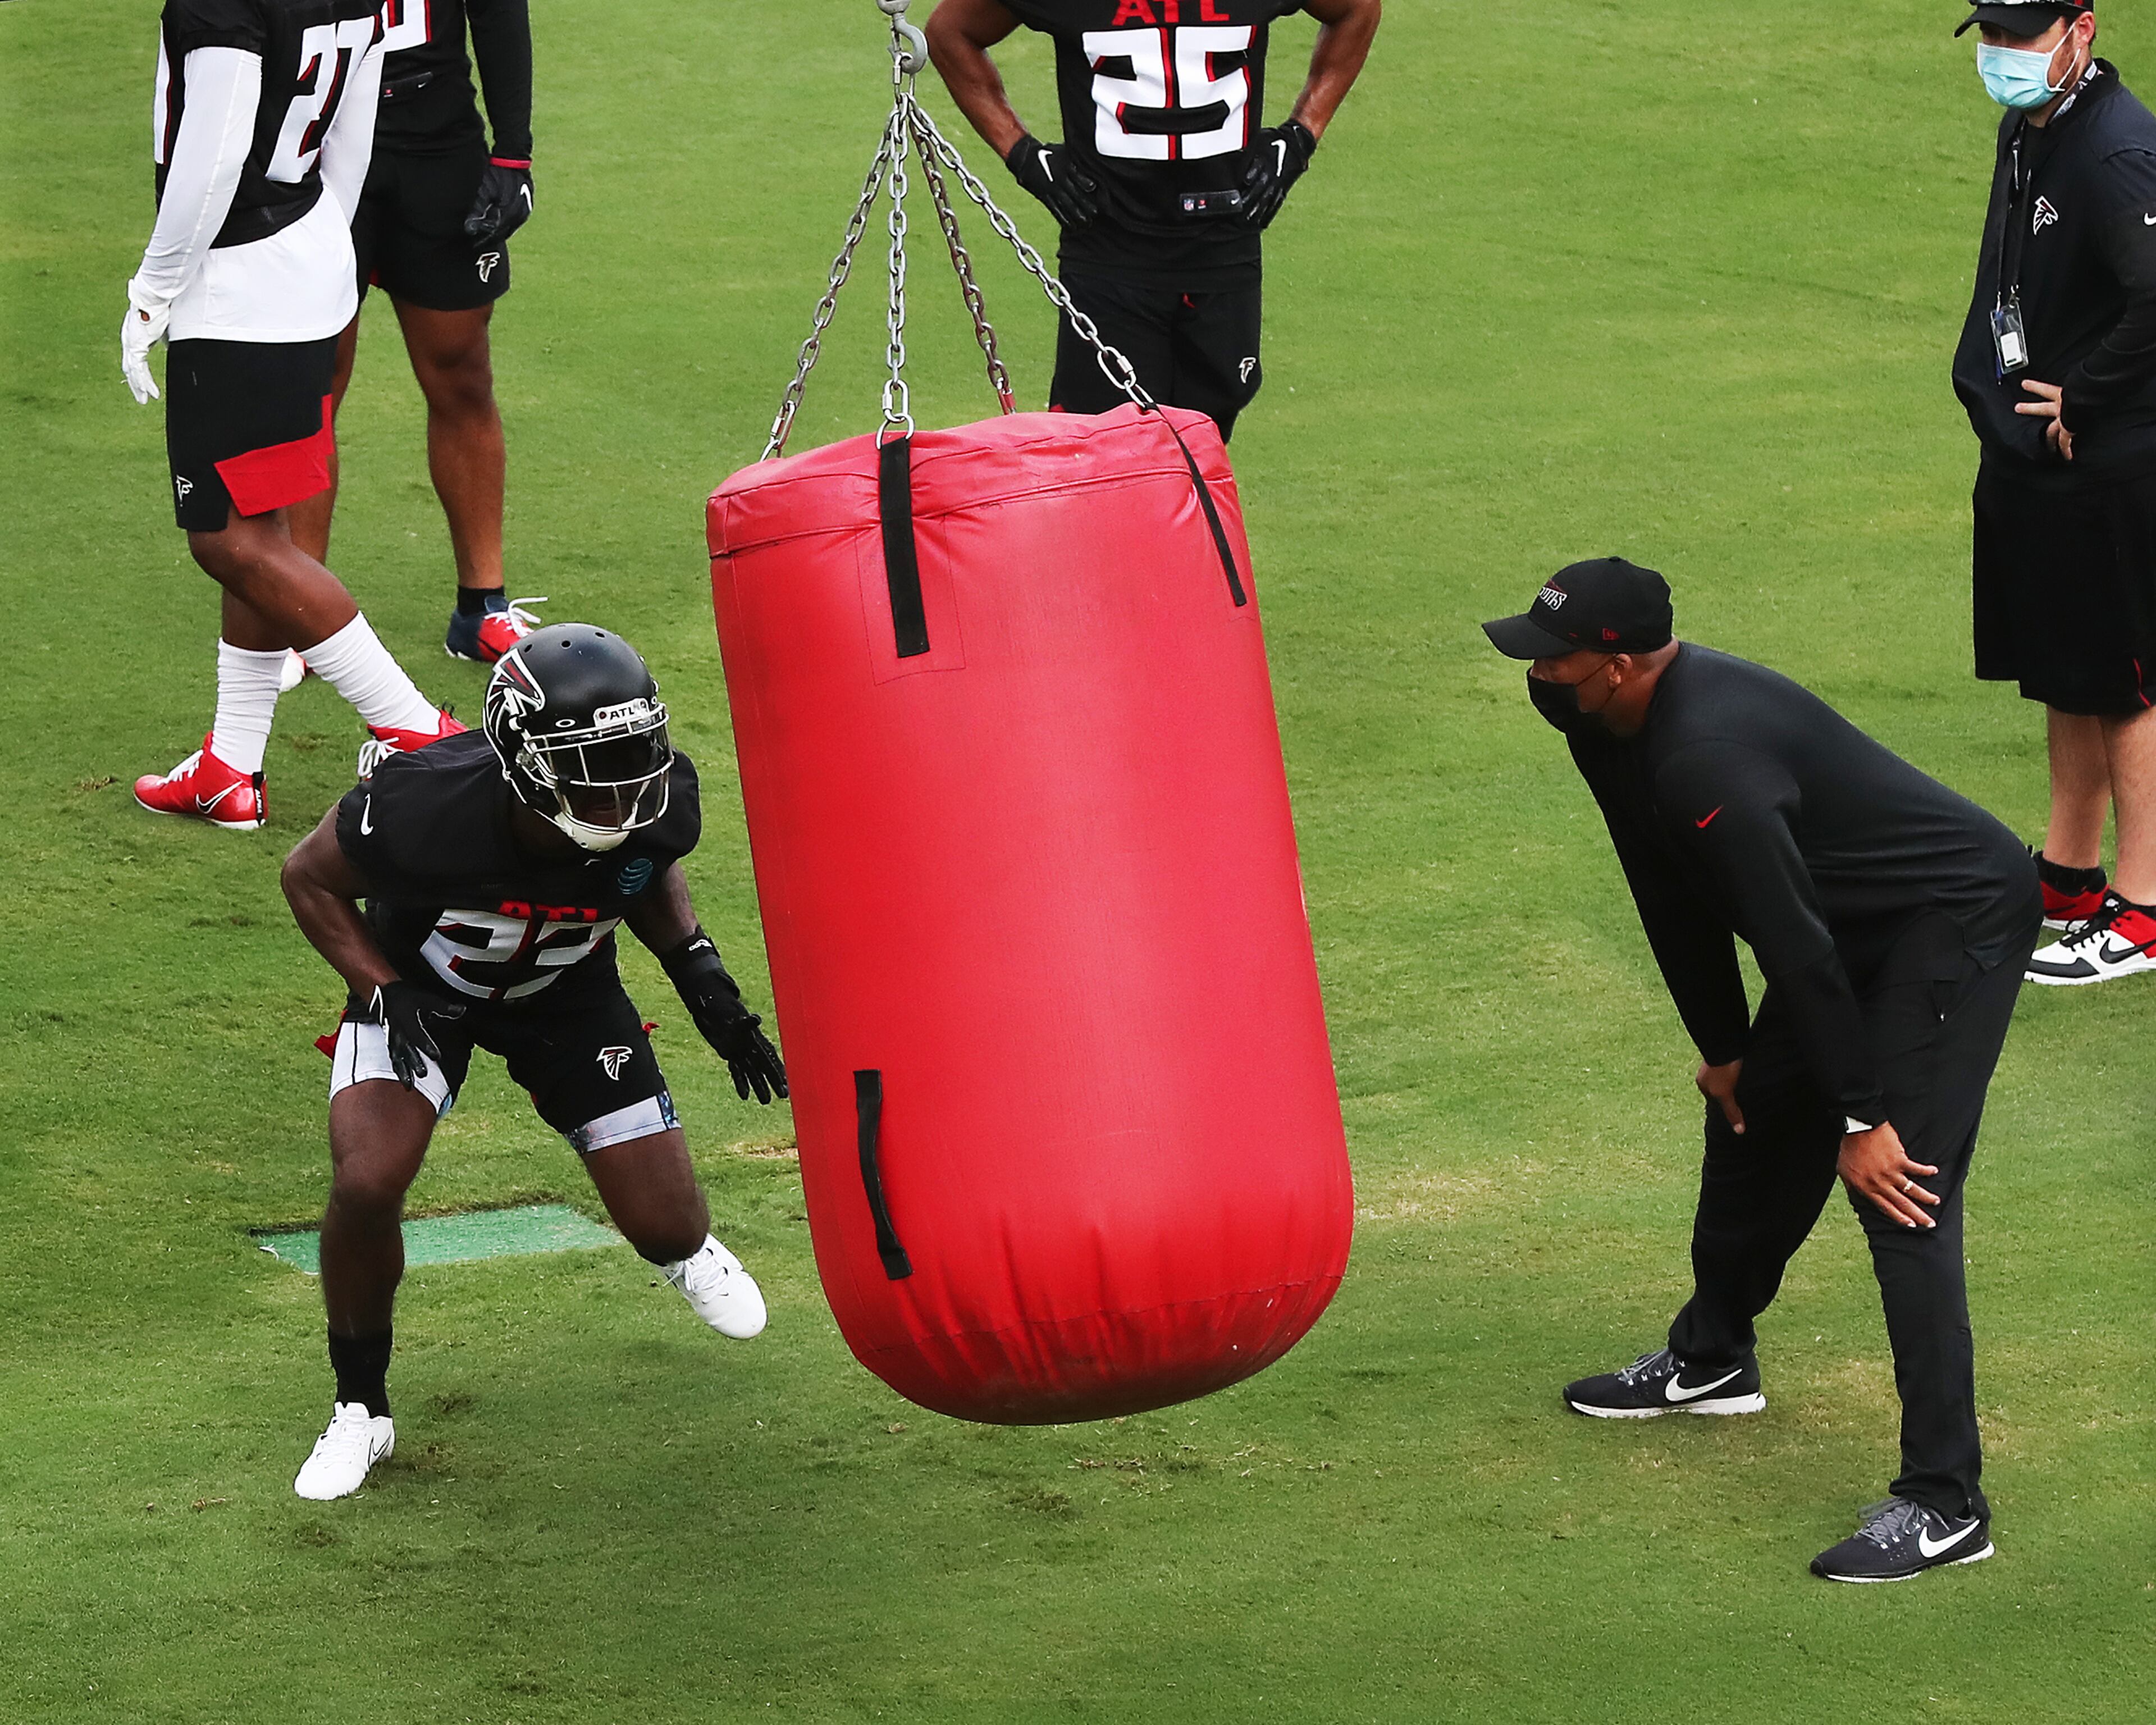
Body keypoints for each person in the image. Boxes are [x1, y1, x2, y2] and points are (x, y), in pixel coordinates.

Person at [1483, 558, 2041, 1584]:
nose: (1538, 673)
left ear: (1617, 665)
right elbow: (1665, 886)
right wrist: (1728, 1049)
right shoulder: (1607, 726)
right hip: (1844, 927)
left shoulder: (1707, 758)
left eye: (1555, 657)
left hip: (1948, 920)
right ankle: (1713, 1356)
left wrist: (1862, 1116)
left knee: (1902, 1189)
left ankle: (1947, 1501)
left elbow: (1795, 948)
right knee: (1747, 1122)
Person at [278, 623, 788, 1500]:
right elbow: (308, 877)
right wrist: (379, 987)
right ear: (522, 760)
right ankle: (360, 1407)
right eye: (592, 769)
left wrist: (700, 971)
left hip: (570, 996)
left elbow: (649, 866)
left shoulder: (658, 796)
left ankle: (685, 1254)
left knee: (668, 1223)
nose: (622, 791)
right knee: (367, 1180)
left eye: (633, 758)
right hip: (423, 992)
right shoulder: (420, 802)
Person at [126, 0, 465, 832]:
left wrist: (154, 290)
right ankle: (229, 768)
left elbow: (212, 158)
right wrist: (321, 246)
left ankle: (418, 729)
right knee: (260, 521)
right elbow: (351, 134)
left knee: (226, 537)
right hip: (309, 258)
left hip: (236, 281)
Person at [1951, 0, 2156, 984]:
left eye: (2022, 38)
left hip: (2109, 457)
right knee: (2066, 670)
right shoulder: (2029, 126)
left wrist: (2091, 390)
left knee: (2128, 682)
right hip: (2039, 455)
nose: (2002, 56)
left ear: (2082, 29)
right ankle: (2069, 875)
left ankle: (2146, 910)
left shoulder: (2116, 151)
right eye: (1991, 36)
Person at [925, 0, 1382, 442]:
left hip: (1222, 250)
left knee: (1202, 454)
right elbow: (951, 33)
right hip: (1110, 254)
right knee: (1102, 460)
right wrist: (1025, 156)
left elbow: (1356, 10)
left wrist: (1301, 137)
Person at [287, 0, 541, 667]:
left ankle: (481, 606)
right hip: (317, 133)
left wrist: (513, 152)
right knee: (310, 381)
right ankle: (297, 615)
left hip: (435, 136)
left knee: (461, 370)